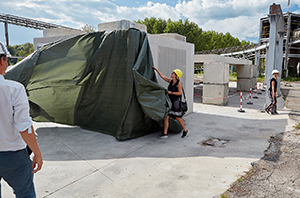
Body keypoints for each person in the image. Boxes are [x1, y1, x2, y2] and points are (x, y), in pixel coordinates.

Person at [0, 41, 43, 198]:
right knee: (25, 194)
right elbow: (24, 127)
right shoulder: (14, 89)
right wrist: (37, 153)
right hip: (14, 156)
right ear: (1, 60)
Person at [152, 66, 189, 139]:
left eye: (173, 73)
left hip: (175, 103)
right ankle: (165, 133)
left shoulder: (179, 83)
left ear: (176, 75)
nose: (171, 74)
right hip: (169, 102)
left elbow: (179, 93)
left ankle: (185, 130)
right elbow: (162, 76)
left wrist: (171, 92)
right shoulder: (170, 81)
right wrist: (156, 69)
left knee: (178, 118)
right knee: (166, 117)